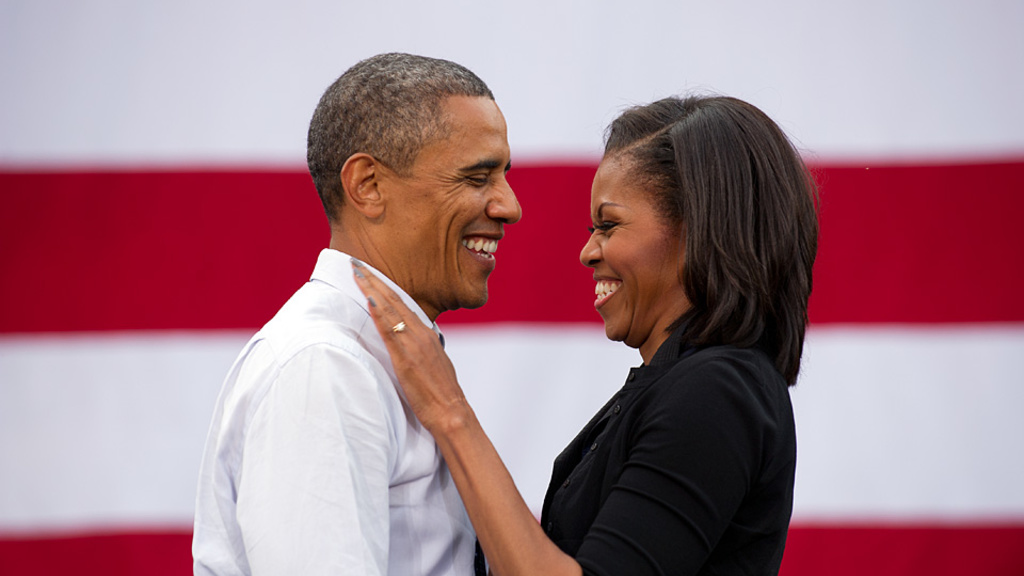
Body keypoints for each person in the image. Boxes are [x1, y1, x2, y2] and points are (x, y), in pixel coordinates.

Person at [351, 94, 819, 575]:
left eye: (609, 225)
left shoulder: (717, 391)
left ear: (696, 231)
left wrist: (449, 412)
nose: (588, 252)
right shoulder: (689, 380)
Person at [192, 52, 521, 576]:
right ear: (367, 185)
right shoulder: (324, 366)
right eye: (477, 177)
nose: (509, 205)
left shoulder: (365, 356)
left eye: (503, 175)